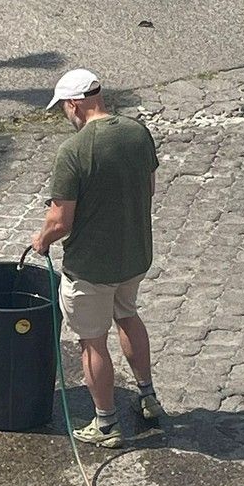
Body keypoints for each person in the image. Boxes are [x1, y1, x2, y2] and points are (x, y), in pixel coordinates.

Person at [31, 68, 164, 449]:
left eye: (63, 108)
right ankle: (148, 396)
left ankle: (106, 423)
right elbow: (149, 187)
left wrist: (41, 240)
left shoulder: (73, 152)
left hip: (91, 268)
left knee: (92, 342)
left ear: (74, 104)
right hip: (135, 255)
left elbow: (60, 221)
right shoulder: (138, 132)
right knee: (128, 315)